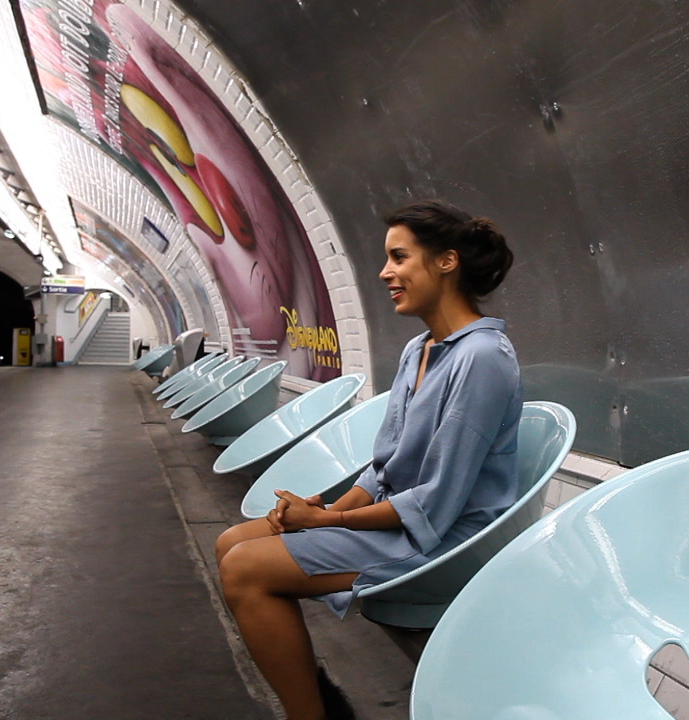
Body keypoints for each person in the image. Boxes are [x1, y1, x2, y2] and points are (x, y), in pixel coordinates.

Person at [215, 199, 522, 720]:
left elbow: (435, 503)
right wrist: (323, 508)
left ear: (446, 262)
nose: (384, 272)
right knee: (231, 542)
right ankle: (312, 694)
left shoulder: (482, 358)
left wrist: (325, 521)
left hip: (442, 540)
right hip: (402, 524)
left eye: (399, 257)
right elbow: (384, 468)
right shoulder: (419, 349)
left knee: (245, 569)